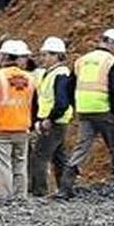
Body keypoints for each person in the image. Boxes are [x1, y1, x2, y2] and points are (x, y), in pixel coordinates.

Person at [58, 29, 114, 198]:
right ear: (112, 43)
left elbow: (69, 86)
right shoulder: (112, 62)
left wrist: (76, 105)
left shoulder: (81, 60)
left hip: (84, 110)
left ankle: (65, 187)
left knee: (82, 146)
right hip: (103, 109)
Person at [0, 39, 38, 199]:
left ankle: (6, 198)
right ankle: (21, 196)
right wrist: (31, 126)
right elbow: (34, 105)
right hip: (22, 128)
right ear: (19, 58)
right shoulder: (30, 79)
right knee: (20, 165)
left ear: (5, 57)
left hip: (0, 128)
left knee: (3, 165)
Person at [29, 36, 73, 197]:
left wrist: (49, 119)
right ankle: (65, 189)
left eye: (46, 55)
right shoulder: (52, 73)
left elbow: (61, 102)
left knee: (39, 157)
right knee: (59, 157)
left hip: (53, 123)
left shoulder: (60, 74)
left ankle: (39, 192)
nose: (43, 58)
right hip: (57, 122)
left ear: (57, 56)